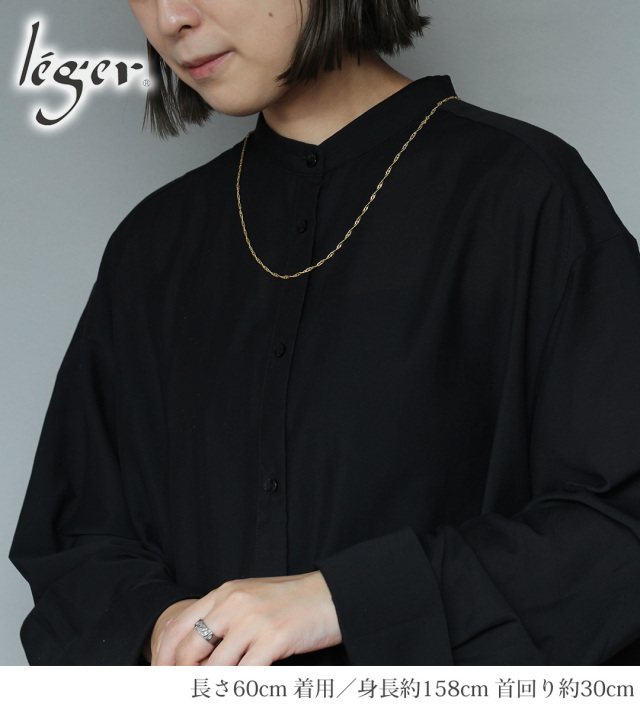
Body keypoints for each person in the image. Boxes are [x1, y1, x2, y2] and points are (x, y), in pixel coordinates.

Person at [9, 0, 640, 666]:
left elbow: (617, 529)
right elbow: (75, 546)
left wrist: (347, 600)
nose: (171, 19)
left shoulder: (525, 194)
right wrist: (166, 626)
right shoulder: (152, 247)